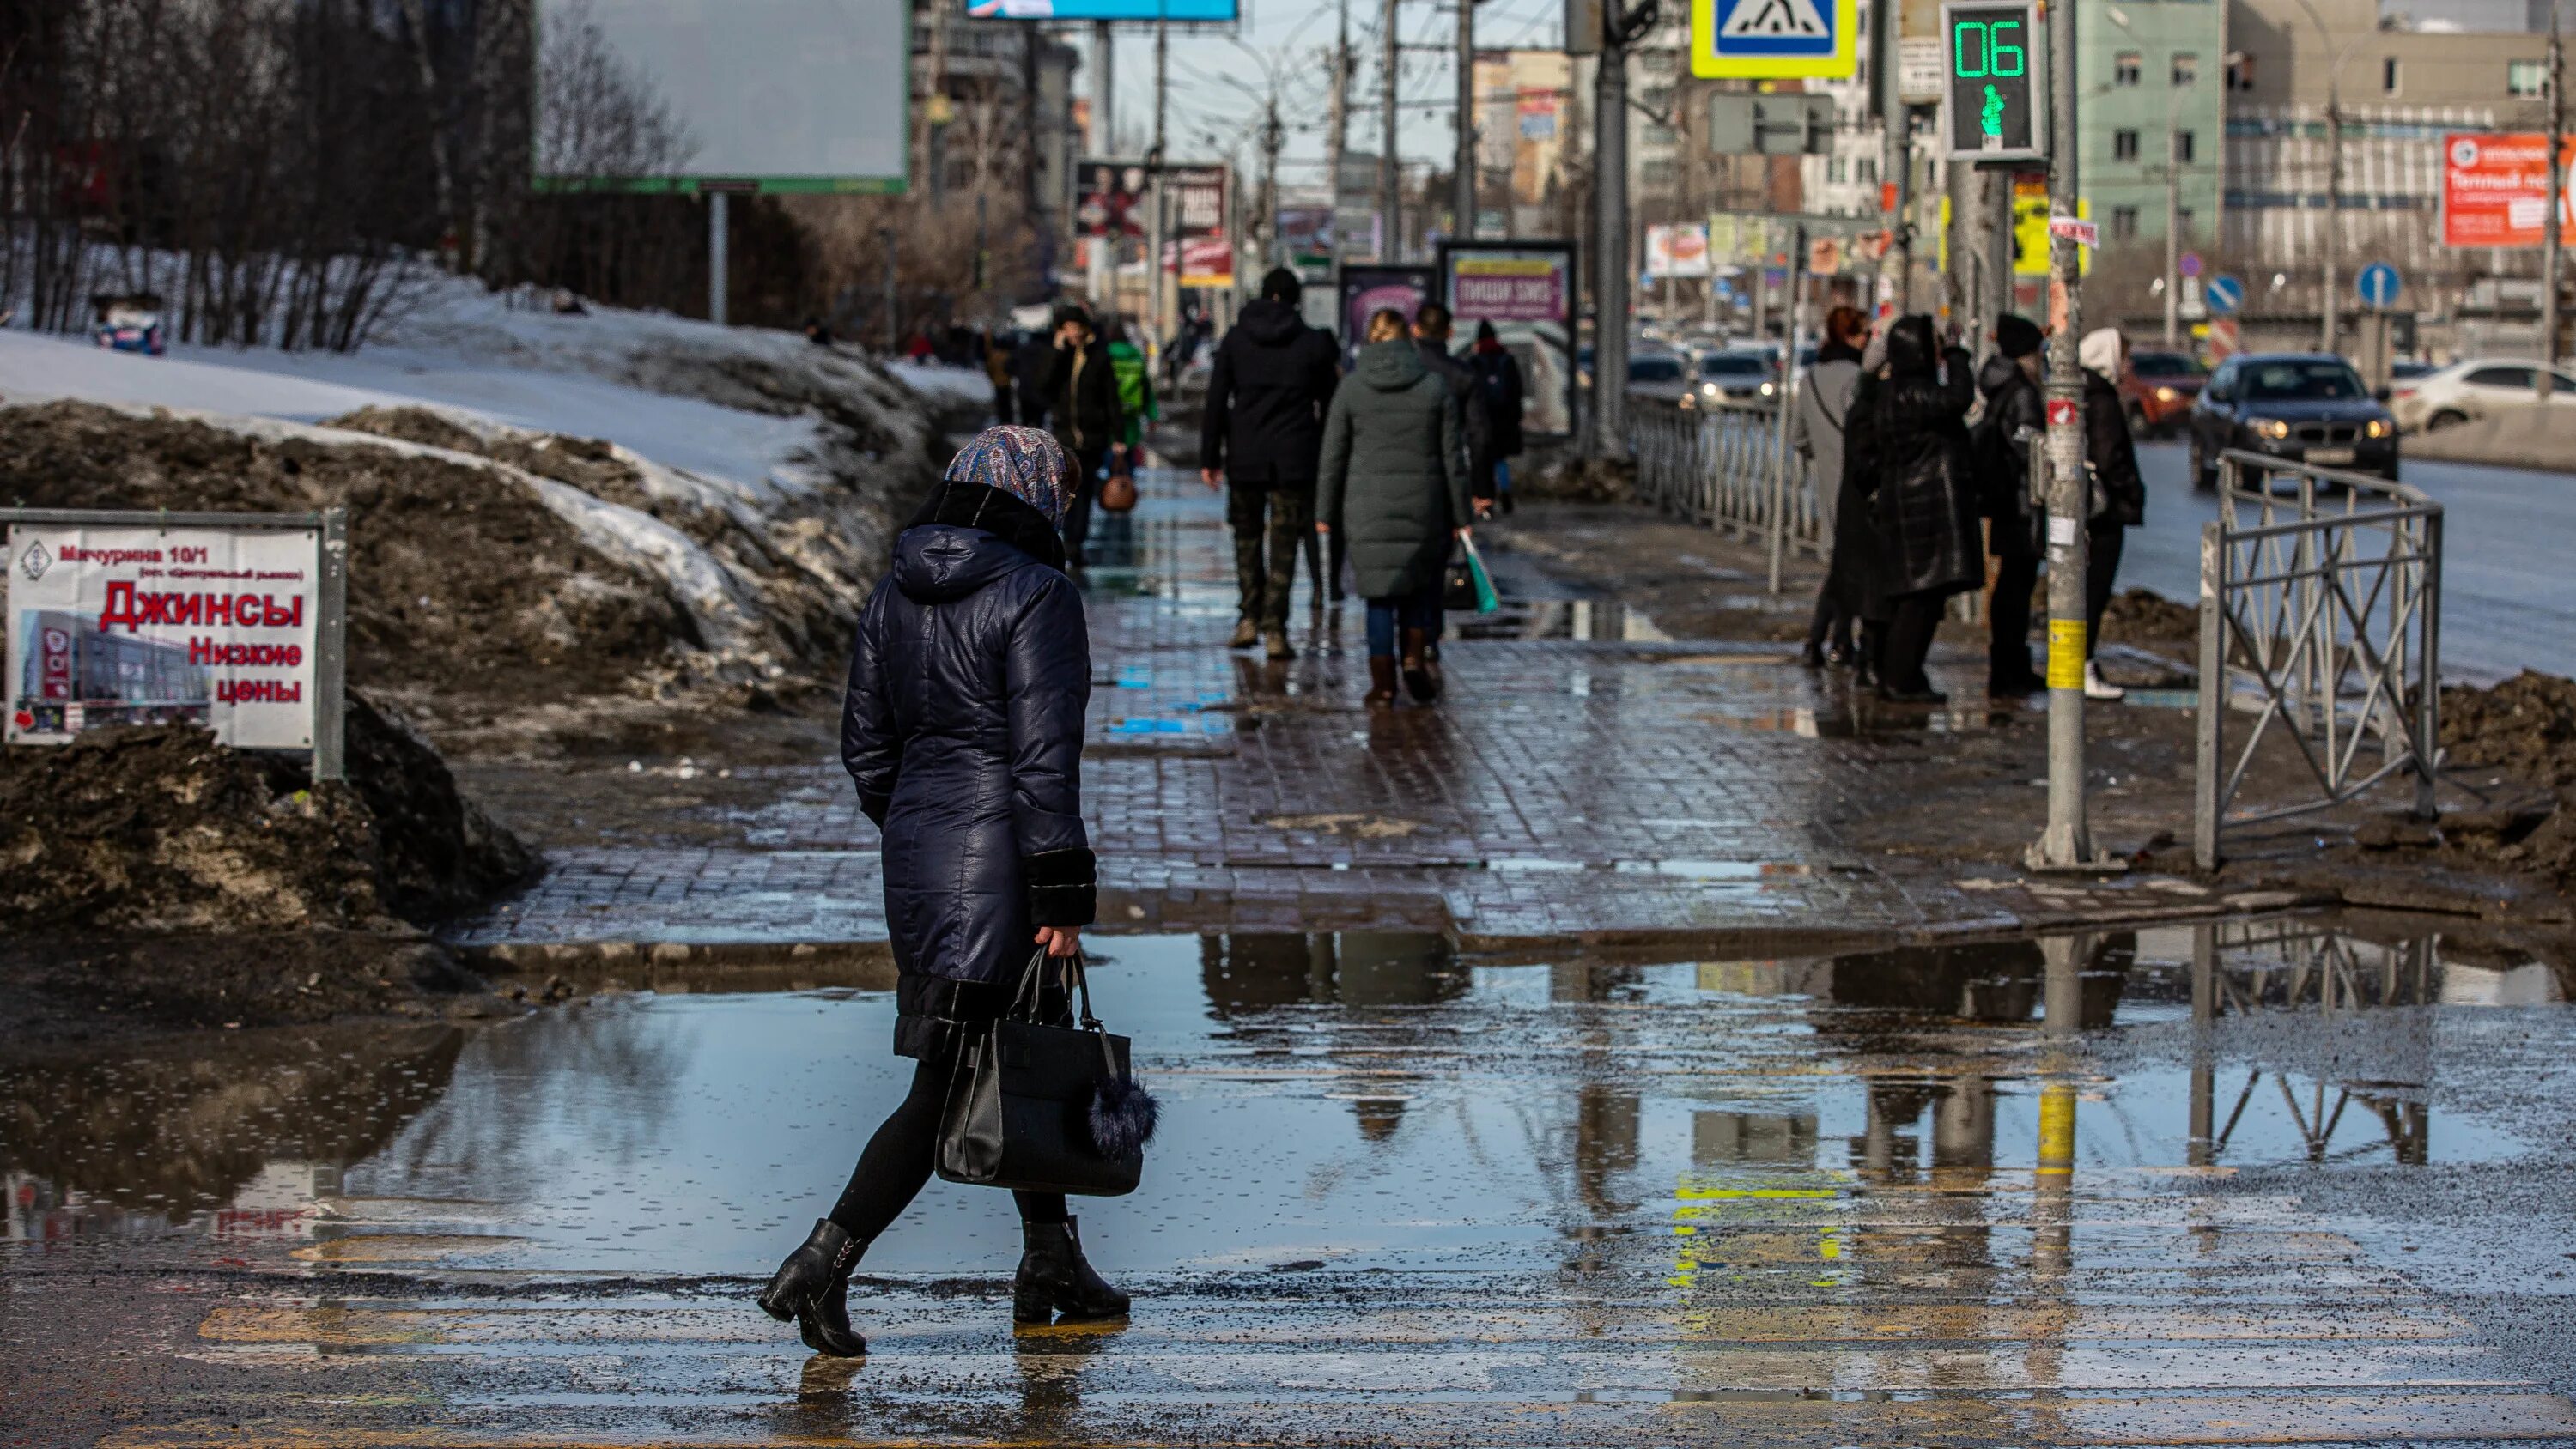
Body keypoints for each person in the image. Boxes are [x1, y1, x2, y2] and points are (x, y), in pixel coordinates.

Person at [758, 426, 1117, 1359]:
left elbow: (864, 749)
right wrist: (1061, 895)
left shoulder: (892, 589)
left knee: (1016, 1053)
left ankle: (1053, 1260)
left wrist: (919, 822)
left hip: (918, 849)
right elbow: (1045, 761)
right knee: (952, 1077)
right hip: (1000, 858)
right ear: (1034, 493)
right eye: (1060, 493)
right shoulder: (1039, 593)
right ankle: (822, 1261)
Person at [1317, 309, 1470, 706]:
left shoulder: (1351, 389)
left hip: (1366, 510)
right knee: (1419, 592)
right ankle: (1415, 661)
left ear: (1370, 340)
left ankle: (1383, 686)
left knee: (1379, 599)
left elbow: (1333, 456)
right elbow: (1452, 459)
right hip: (1425, 508)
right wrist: (1461, 517)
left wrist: (1323, 512)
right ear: (1409, 341)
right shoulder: (1434, 388)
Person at [1200, 267, 1343, 659]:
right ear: (1296, 299)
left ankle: (1248, 618)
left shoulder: (1236, 340)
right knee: (1285, 544)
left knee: (1245, 539)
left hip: (1244, 455)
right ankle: (1276, 628)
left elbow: (1216, 401)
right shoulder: (1312, 343)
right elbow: (1330, 404)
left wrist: (1210, 457)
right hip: (1294, 457)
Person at [1844, 315, 1979, 704]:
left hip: (1909, 508)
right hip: (1923, 510)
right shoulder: (1912, 393)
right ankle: (1901, 677)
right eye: (1933, 346)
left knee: (1919, 597)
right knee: (1919, 598)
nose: (1938, 354)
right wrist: (1957, 354)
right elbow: (1959, 398)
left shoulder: (1892, 393)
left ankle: (1903, 674)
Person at [1973, 314, 2049, 697]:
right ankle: (2009, 671)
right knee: (2015, 590)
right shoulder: (2022, 393)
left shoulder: (2001, 387)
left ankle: (2010, 666)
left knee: (2011, 589)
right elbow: (2030, 449)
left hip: (2007, 500)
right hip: (2021, 503)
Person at [1791, 306, 1868, 669]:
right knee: (1852, 568)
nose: (1868, 340)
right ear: (1851, 336)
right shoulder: (1859, 379)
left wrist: (1823, 453)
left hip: (1826, 483)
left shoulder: (1809, 379)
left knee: (1841, 565)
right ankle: (1835, 640)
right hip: (1860, 485)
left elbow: (1797, 437)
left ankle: (1822, 641)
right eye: (1864, 333)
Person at [2080, 326, 2146, 701]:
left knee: (2086, 590)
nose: (2128, 365)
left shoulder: (2086, 392)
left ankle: (2078, 664)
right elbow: (2108, 458)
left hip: (2092, 509)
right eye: (2124, 357)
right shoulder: (2101, 399)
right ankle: (2081, 665)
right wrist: (2131, 489)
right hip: (2103, 512)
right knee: (2092, 590)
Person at [1040, 304, 1121, 575]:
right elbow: (1045, 388)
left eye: (1077, 327)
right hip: (1063, 437)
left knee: (1083, 492)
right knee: (1063, 492)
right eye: (1067, 327)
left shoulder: (1099, 356)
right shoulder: (1057, 356)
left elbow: (1111, 397)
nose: (1073, 333)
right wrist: (1058, 353)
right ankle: (1063, 541)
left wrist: (1118, 435)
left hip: (1092, 437)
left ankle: (1076, 543)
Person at [1466, 322, 1526, 515]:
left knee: (1483, 461)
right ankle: (1506, 495)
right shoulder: (1507, 360)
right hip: (1505, 420)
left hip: (1482, 419)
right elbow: (1517, 391)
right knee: (1500, 460)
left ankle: (1487, 501)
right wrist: (1515, 418)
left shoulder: (1475, 361)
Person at [1103, 318, 1157, 481]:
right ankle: (1127, 490)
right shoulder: (1136, 357)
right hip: (1131, 415)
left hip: (1108, 416)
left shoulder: (1104, 356)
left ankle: (1111, 492)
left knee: (1110, 456)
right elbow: (1146, 390)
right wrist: (1152, 415)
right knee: (1129, 454)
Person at [1011, 324, 1056, 433]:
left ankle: (1025, 446)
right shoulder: (1048, 352)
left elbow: (1009, 366)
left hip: (1024, 391)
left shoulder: (1022, 350)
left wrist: (1019, 374)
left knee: (1025, 425)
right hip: (1040, 392)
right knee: (1039, 425)